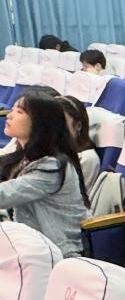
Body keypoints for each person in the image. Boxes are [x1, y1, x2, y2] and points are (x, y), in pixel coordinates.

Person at [0, 92, 90, 255]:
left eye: (19, 112)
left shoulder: (51, 167)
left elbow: (4, 195)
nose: (10, 115)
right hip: (29, 246)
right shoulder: (23, 157)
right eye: (12, 109)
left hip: (56, 254)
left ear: (39, 123)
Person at [58, 95, 100, 189]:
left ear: (78, 126)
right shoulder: (48, 149)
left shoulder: (87, 158)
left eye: (61, 122)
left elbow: (77, 195)